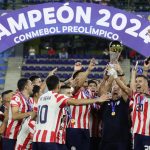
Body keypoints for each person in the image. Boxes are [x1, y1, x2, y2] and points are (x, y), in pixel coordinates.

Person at [32, 75, 109, 150]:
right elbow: (76, 102)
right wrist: (97, 100)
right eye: (68, 93)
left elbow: (34, 116)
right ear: (58, 86)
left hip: (37, 138)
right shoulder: (57, 97)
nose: (71, 95)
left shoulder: (41, 98)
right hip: (50, 139)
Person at [108, 60, 150, 150]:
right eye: (136, 81)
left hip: (148, 135)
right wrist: (116, 76)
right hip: (136, 134)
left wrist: (145, 70)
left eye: (140, 81)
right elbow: (125, 88)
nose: (137, 83)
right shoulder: (135, 96)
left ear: (147, 84)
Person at [3, 78, 35, 150]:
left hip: (23, 136)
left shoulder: (30, 100)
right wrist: (29, 113)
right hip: (12, 136)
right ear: (26, 86)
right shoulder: (16, 98)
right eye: (31, 84)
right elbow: (14, 116)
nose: (33, 86)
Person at [15, 85, 42, 150]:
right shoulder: (30, 102)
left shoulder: (39, 104)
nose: (42, 94)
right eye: (41, 92)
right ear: (36, 94)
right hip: (22, 146)